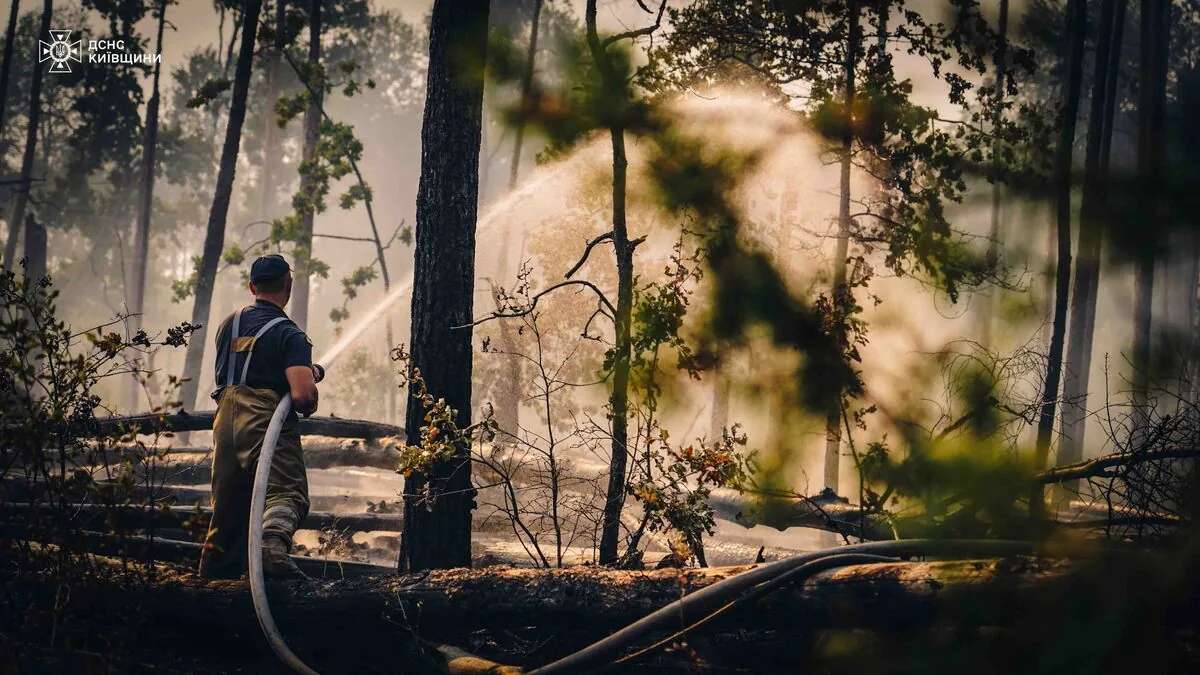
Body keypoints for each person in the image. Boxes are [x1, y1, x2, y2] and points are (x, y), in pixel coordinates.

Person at [198, 254, 324, 579]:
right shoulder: (290, 334)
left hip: (224, 422)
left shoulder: (229, 324)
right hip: (264, 422)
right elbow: (302, 396)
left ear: (252, 287)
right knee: (287, 493)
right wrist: (310, 387)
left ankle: (213, 584)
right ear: (288, 285)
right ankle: (271, 547)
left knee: (228, 511)